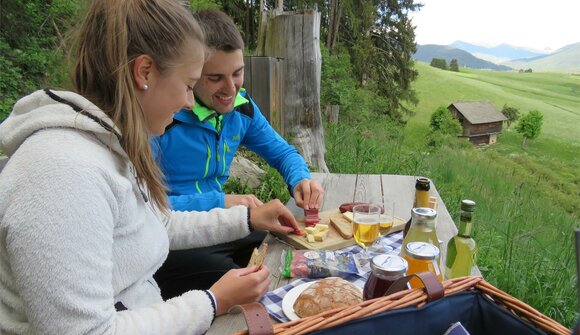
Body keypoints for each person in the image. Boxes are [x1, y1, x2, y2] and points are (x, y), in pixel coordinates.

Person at [0, 1, 300, 334]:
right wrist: (211, 302)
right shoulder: (60, 174)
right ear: (144, 72)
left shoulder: (110, 145)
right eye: (188, 85)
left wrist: (244, 219)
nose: (190, 103)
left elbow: (153, 224)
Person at [151, 9, 325, 298]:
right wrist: (221, 201)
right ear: (191, 74)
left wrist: (300, 180)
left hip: (225, 224)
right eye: (216, 77)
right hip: (171, 239)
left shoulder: (242, 108)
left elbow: (282, 152)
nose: (230, 88)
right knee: (250, 280)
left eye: (238, 73)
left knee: (286, 241)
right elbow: (144, 209)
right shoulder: (162, 119)